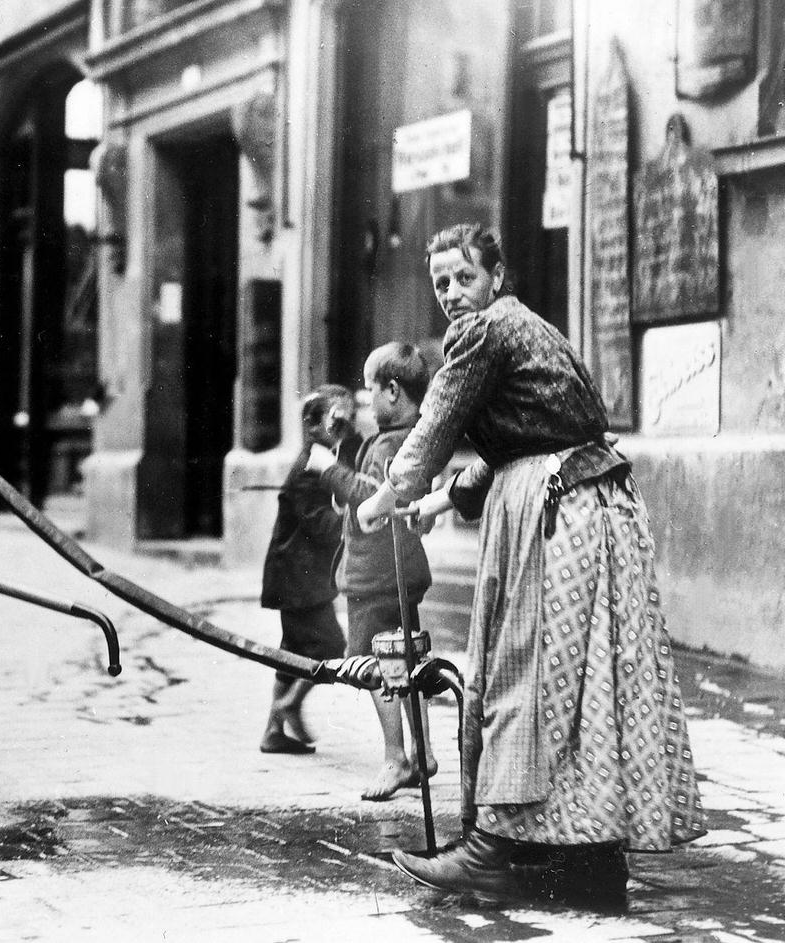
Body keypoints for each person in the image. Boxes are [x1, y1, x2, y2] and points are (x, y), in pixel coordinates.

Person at [356, 223, 704, 905]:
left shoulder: (482, 332)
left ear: (495, 276)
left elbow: (436, 424)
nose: (453, 293)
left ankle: (489, 855)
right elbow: (520, 435)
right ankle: (590, 860)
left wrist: (389, 494)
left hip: (557, 513)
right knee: (583, 686)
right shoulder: (528, 327)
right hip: (589, 504)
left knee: (526, 670)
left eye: (463, 277)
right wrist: (440, 499)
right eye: (441, 283)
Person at [306, 342, 436, 801]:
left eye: (371, 391)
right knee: (410, 662)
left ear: (394, 392)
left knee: (382, 669)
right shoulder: (414, 438)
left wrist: (329, 471)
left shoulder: (391, 443)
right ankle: (421, 751)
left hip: (377, 576)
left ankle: (396, 758)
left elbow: (379, 492)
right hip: (399, 572)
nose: (366, 401)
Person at [258, 385, 359, 754]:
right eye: (337, 421)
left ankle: (273, 730)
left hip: (299, 577)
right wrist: (354, 519)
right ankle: (291, 705)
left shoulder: (324, 457)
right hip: (297, 577)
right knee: (331, 645)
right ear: (313, 424)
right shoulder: (309, 465)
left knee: (293, 651)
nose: (344, 429)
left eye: (349, 420)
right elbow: (319, 523)